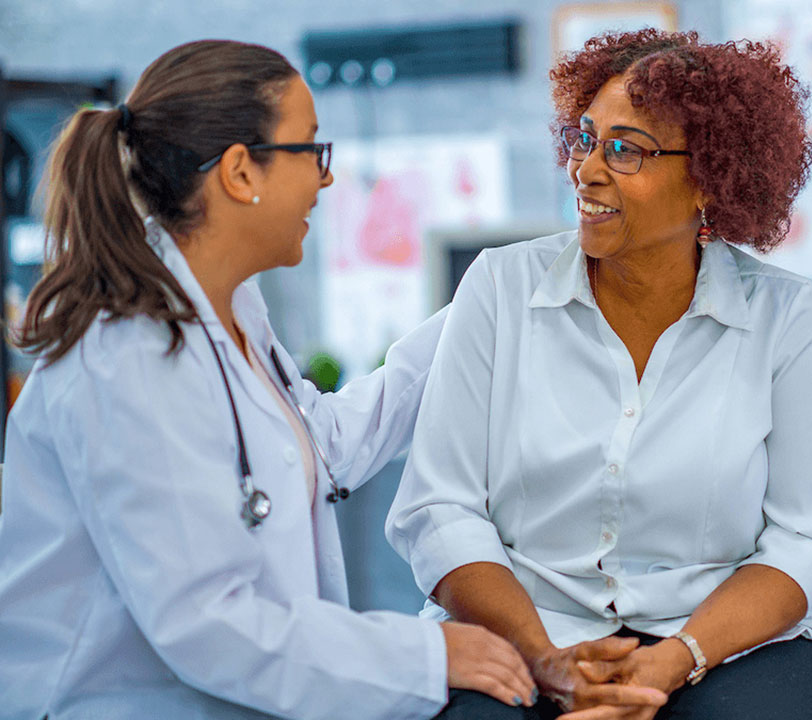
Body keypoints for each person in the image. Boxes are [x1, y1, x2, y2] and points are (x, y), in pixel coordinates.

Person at [0, 40, 541, 719]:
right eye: (311, 148)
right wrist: (430, 655)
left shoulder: (230, 309)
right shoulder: (129, 352)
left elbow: (319, 445)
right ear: (238, 172)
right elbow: (208, 624)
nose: (326, 177)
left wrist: (484, 304)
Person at [387, 30, 812, 720]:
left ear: (710, 178)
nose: (586, 169)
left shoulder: (787, 318)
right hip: (528, 627)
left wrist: (672, 662)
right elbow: (441, 509)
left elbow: (808, 542)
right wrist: (542, 658)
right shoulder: (497, 288)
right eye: (584, 139)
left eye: (625, 150)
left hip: (719, 640)